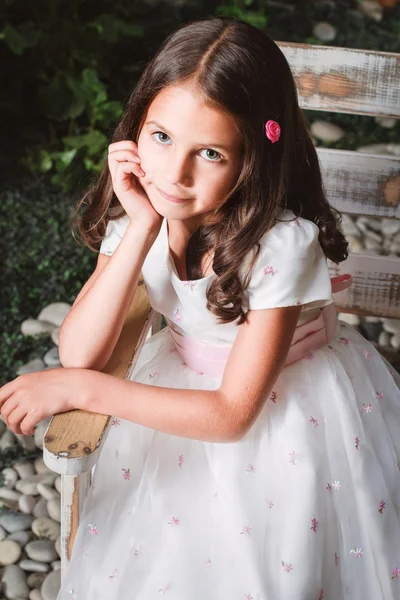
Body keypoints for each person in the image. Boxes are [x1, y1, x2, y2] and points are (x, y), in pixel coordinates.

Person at [0, 16, 399, 600]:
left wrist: (79, 391)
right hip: (177, 391)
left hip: (282, 410)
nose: (174, 174)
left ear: (252, 159)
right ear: (137, 126)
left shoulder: (279, 245)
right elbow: (80, 350)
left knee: (262, 565)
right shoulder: (141, 205)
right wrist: (140, 228)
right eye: (160, 137)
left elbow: (232, 416)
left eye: (209, 153)